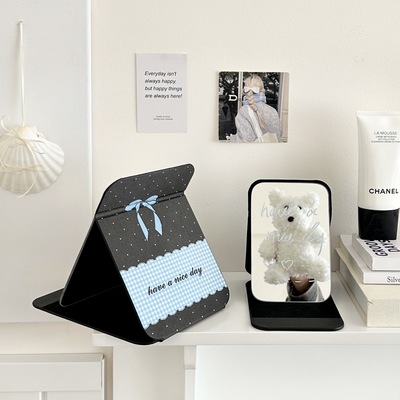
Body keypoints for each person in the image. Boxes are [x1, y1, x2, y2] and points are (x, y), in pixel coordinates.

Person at [227, 74, 282, 143]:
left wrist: (232, 139)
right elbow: (278, 135)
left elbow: (245, 140)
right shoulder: (273, 111)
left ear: (245, 90)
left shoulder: (244, 111)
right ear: (262, 89)